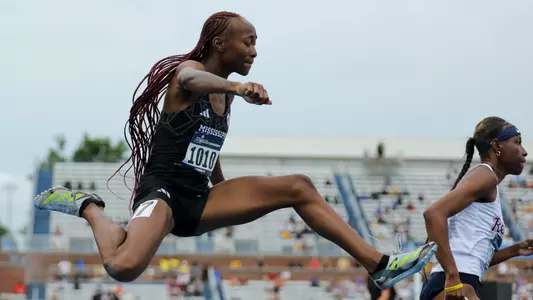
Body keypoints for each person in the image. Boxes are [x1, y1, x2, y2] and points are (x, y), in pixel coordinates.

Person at [34, 11, 436, 288]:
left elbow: (207, 146)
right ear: (219, 43)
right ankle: (90, 207)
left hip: (199, 197)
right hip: (163, 194)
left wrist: (224, 190)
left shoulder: (223, 99)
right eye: (248, 42)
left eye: (256, 44)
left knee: (298, 185)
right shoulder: (187, 77)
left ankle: (379, 265)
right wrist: (237, 87)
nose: (255, 51)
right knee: (122, 267)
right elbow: (194, 79)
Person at [421, 116, 532, 300]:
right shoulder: (485, 176)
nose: (524, 151)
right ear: (497, 146)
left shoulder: (488, 182)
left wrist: (515, 250)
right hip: (455, 284)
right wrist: (453, 276)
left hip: (460, 281)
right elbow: (433, 214)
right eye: (517, 143)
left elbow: (474, 257)